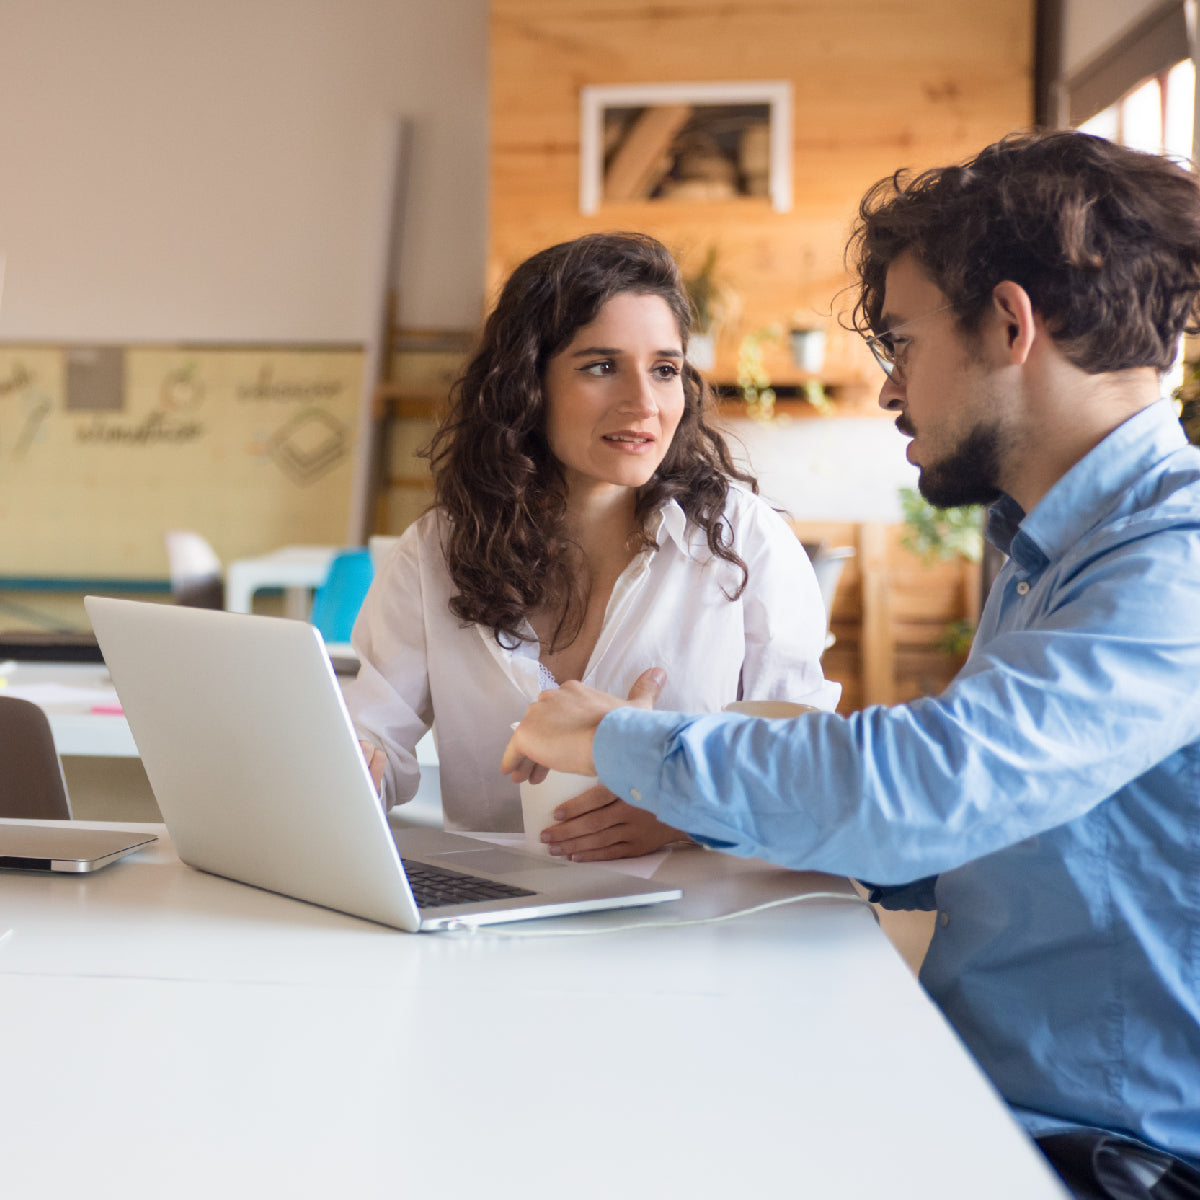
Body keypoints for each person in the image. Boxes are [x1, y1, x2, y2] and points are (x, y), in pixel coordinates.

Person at [502, 132, 1200, 1195]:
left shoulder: (1174, 567)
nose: (889, 393)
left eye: (906, 343)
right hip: (987, 1095)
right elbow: (997, 832)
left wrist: (611, 737)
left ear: (1009, 326)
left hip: (1112, 1158)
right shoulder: (1053, 543)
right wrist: (739, 788)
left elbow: (924, 790)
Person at [347, 231, 838, 860]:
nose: (643, 403)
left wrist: (686, 811)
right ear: (527, 383)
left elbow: (808, 763)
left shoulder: (743, 540)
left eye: (665, 370)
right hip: (494, 923)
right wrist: (353, 768)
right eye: (601, 367)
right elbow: (374, 739)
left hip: (695, 923)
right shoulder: (437, 550)